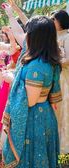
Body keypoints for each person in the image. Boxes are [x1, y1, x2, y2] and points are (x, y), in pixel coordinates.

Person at [2, 16, 62, 168]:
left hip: (34, 120)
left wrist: (11, 78)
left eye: (28, 32)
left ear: (36, 37)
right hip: (44, 115)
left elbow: (30, 100)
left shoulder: (37, 65)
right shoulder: (44, 58)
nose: (25, 36)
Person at [51, 10, 69, 154]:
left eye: (55, 20)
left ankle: (63, 148)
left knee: (62, 111)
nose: (53, 22)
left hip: (63, 78)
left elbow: (68, 60)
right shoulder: (53, 35)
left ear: (61, 21)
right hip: (54, 75)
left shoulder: (67, 37)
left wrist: (55, 60)